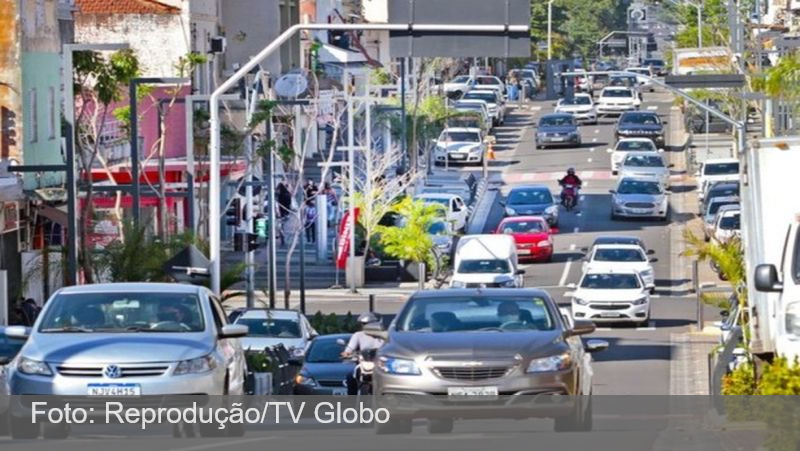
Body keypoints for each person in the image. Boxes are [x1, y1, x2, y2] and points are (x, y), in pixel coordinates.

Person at [342, 312, 385, 395]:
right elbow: (350, 348)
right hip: (363, 365)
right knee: (350, 377)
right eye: (363, 324)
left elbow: (390, 347)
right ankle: (352, 401)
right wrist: (346, 353)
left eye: (366, 324)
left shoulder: (383, 335)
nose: (364, 326)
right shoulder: (358, 335)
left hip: (380, 365)